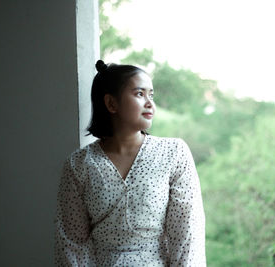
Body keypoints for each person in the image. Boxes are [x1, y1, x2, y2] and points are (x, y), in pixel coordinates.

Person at [54, 60, 206, 266]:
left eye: (151, 95)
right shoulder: (79, 165)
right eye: (139, 94)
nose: (150, 103)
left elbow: (187, 236)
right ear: (111, 104)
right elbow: (71, 245)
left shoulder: (173, 153)